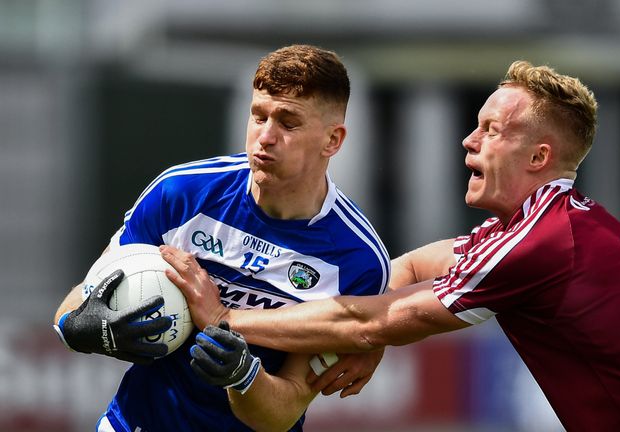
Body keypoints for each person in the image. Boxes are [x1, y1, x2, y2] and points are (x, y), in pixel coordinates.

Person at [162, 60, 620, 431]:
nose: (469, 139)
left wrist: (224, 319)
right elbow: (410, 270)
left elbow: (367, 320)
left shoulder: (541, 243)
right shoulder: (547, 225)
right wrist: (380, 335)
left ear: (538, 158)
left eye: (491, 131)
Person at [52, 44, 390, 432]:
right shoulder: (181, 193)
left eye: (288, 122)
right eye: (258, 116)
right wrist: (78, 328)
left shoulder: (357, 262)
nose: (265, 137)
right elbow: (80, 299)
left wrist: (242, 375)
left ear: (332, 140)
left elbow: (284, 410)